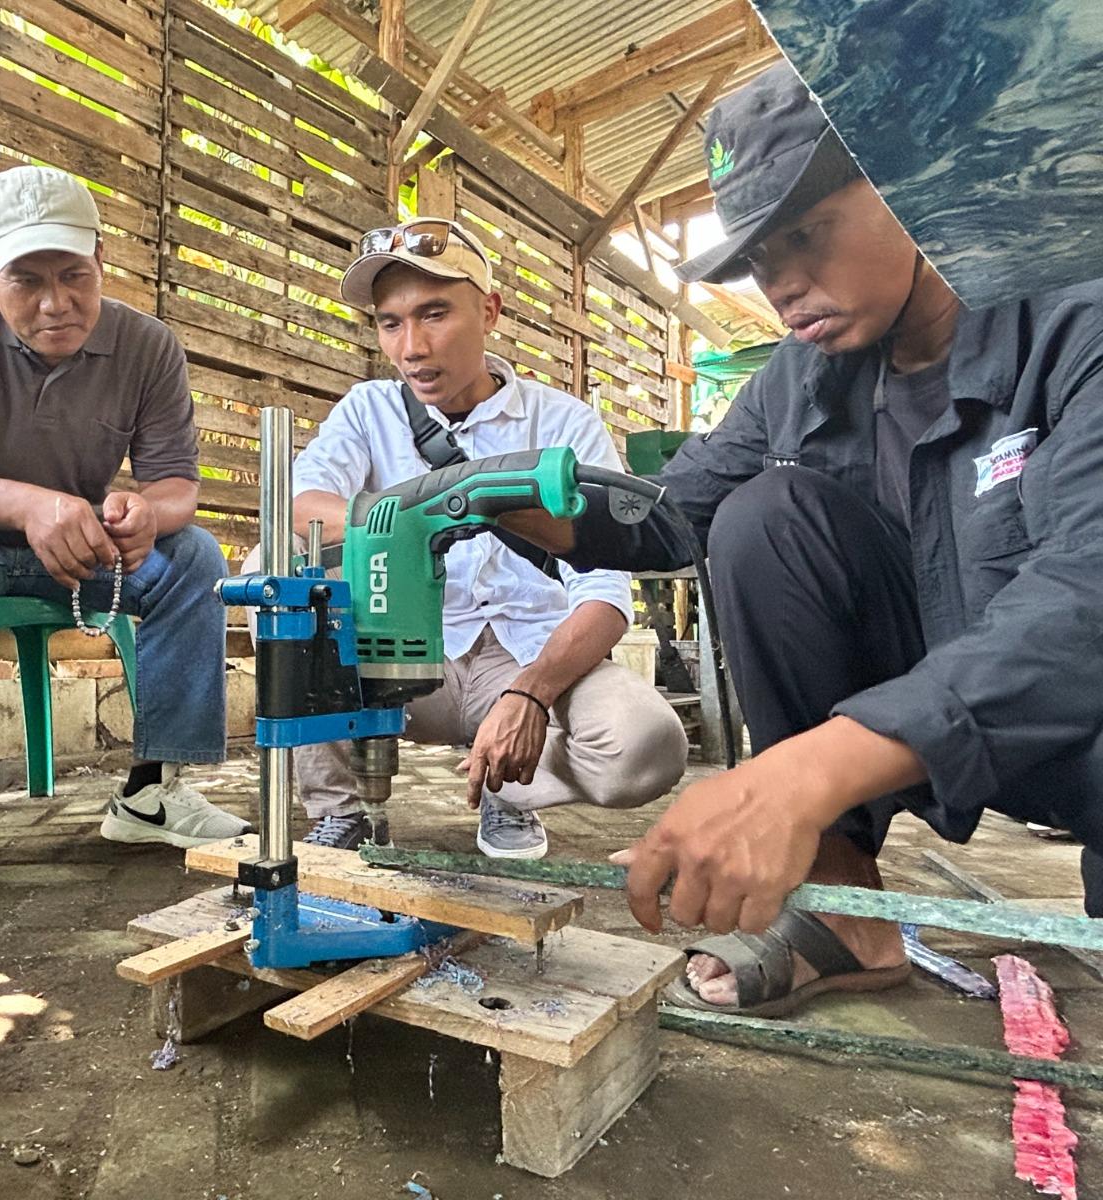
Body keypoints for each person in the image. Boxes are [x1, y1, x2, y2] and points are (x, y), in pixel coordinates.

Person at [555, 63, 1103, 1016]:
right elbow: (675, 507)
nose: (783, 286)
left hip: (1080, 729)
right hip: (922, 720)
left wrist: (801, 773)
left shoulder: (1073, 320)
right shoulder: (803, 374)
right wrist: (539, 515)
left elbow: (1084, 603)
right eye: (757, 261)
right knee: (765, 515)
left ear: (911, 184)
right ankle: (848, 910)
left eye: (805, 235)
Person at [0, 164, 247, 914]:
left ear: (102, 257)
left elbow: (176, 485)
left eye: (75, 274)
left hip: (80, 558)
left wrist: (147, 516)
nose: (55, 303)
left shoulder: (149, 347)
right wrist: (33, 505)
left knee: (196, 557)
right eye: (24, 280)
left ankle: (152, 793)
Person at [278, 218, 689, 857]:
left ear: (489, 311)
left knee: (645, 746)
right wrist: (423, 514)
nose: (412, 346)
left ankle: (506, 785)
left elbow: (605, 596)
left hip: (530, 656)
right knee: (279, 576)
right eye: (391, 323)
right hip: (405, 657)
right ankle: (342, 811)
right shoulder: (369, 411)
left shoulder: (564, 424)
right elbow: (303, 510)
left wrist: (532, 691)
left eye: (434, 314)